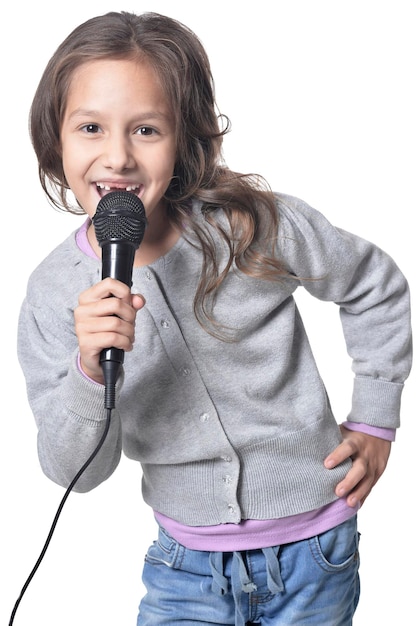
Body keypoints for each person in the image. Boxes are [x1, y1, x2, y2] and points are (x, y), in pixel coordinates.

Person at [17, 10, 412, 626]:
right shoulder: (51, 295)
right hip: (185, 570)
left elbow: (374, 286)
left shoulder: (253, 225)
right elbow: (77, 473)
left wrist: (376, 419)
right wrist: (88, 374)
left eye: (146, 130)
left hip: (315, 552)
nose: (116, 157)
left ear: (185, 139)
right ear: (56, 138)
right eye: (90, 127)